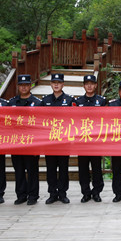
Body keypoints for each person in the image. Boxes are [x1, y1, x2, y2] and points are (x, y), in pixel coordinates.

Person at [7, 74, 42, 205]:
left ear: (30, 86)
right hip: (16, 142)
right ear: (18, 87)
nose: (23, 87)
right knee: (19, 170)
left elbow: (41, 124)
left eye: (26, 85)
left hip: (31, 143)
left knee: (32, 171)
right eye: (21, 85)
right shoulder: (11, 103)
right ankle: (21, 195)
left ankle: (33, 195)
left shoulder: (38, 103)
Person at [40, 73, 73, 204]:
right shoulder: (45, 100)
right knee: (51, 169)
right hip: (50, 141)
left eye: (59, 82)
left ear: (63, 84)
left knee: (63, 168)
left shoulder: (69, 100)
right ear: (51, 84)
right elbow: (40, 119)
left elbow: (74, 119)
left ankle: (63, 193)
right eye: (54, 82)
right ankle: (52, 193)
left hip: (64, 141)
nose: (56, 85)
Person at [74, 74, 107, 203]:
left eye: (91, 84)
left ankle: (97, 192)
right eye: (87, 84)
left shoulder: (101, 101)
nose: (89, 86)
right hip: (82, 141)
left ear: (95, 85)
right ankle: (86, 193)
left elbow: (106, 119)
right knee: (83, 168)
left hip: (96, 141)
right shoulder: (78, 102)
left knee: (96, 168)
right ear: (83, 86)